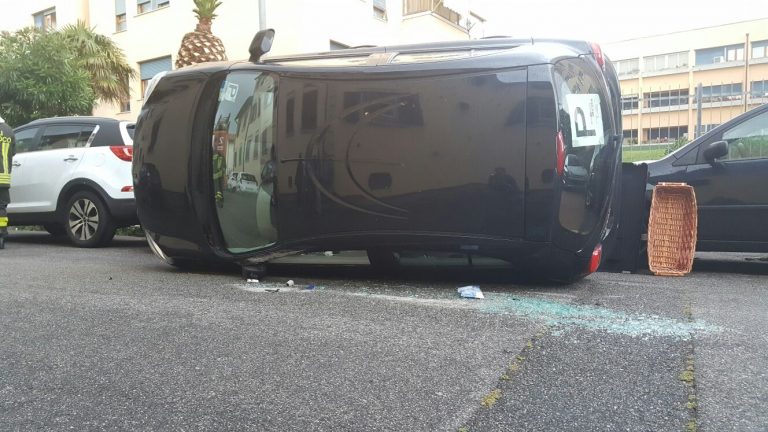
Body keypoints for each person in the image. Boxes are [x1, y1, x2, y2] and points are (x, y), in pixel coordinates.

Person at [0, 114, 16, 249]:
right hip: (4, 178)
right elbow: (13, 152)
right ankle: (2, 234)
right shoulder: (9, 130)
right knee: (1, 208)